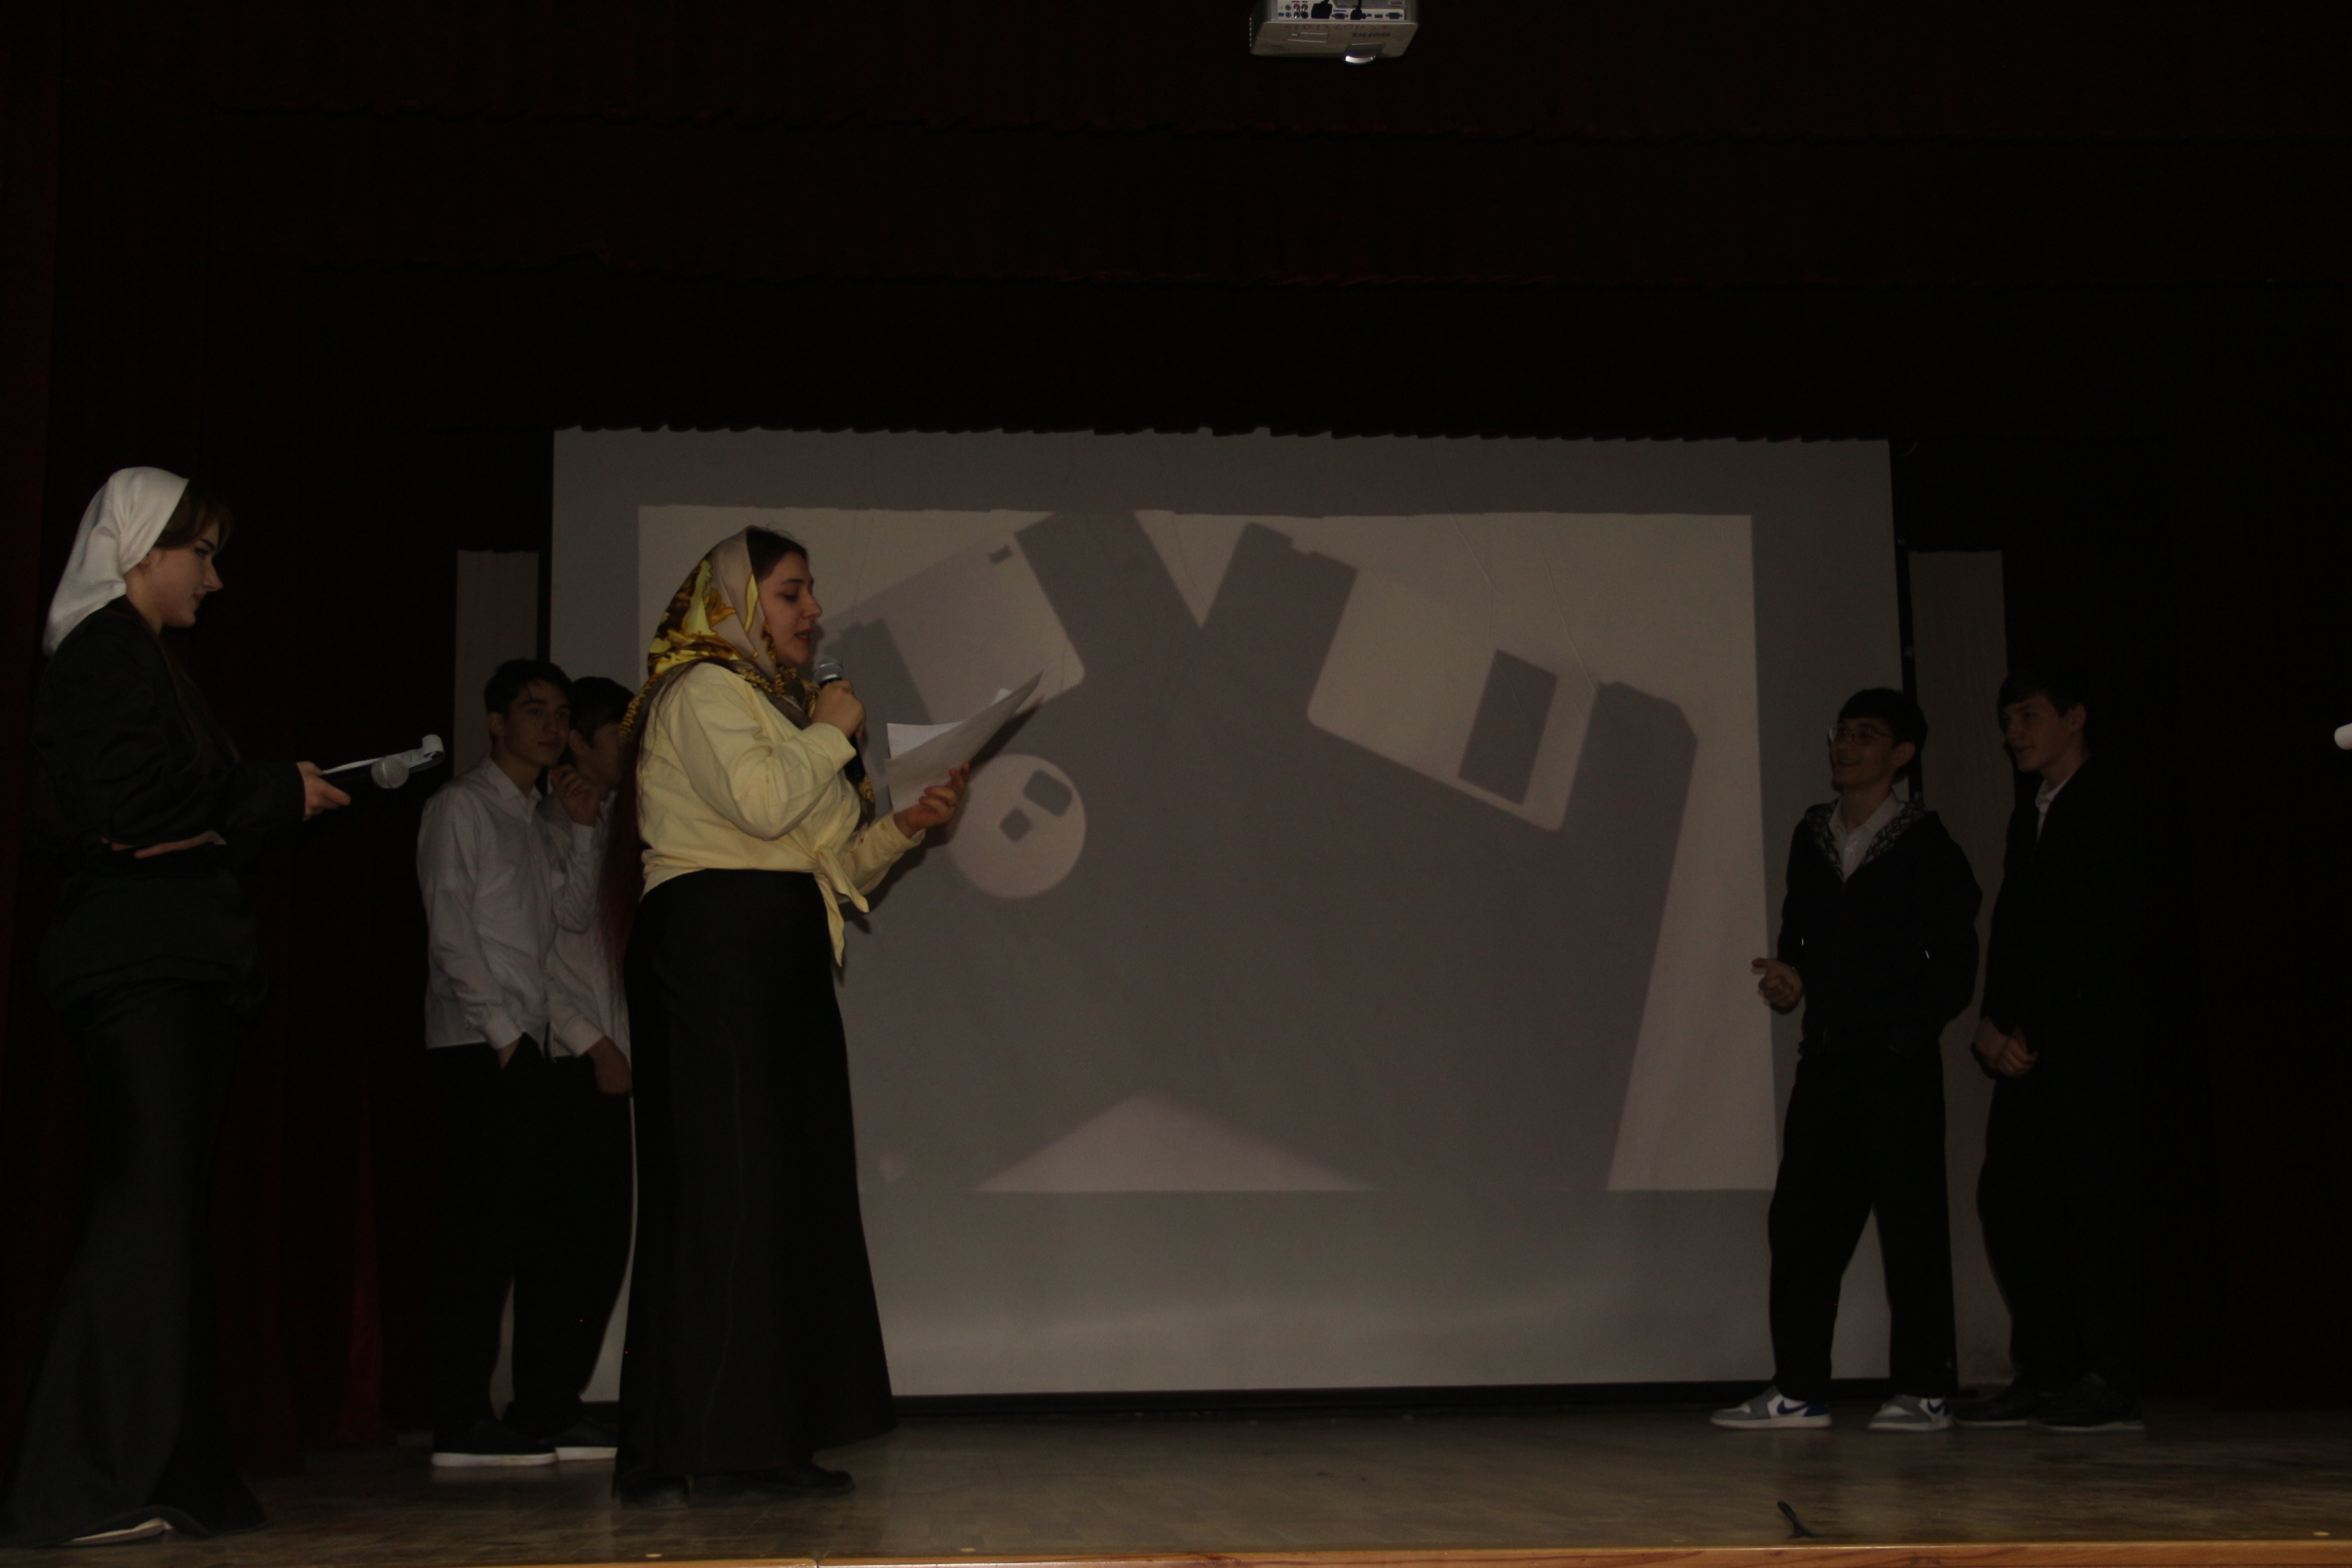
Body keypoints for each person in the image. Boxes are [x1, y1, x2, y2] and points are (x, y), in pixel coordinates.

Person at [1, 469, 350, 1547]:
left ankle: (149, 1471)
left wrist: (260, 799)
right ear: (142, 551)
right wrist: (269, 792)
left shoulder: (139, 659)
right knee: (139, 1219)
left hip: (171, 966)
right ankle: (79, 1485)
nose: (214, 577)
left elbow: (162, 811)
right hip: (141, 967)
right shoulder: (106, 653)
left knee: (158, 1222)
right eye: (201, 554)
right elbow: (133, 808)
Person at [603, 527, 967, 1505]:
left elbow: (828, 866)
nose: (814, 613)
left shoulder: (779, 707)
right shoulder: (702, 690)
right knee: (732, 1192)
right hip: (716, 954)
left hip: (776, 955)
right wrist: (835, 731)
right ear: (735, 601)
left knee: (775, 1193)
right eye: (792, 593)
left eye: (812, 594)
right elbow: (763, 807)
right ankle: (722, 1443)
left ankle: (728, 1436)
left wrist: (906, 826)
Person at [1714, 688, 1980, 1434]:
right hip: (1826, 1060)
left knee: (1910, 1225)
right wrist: (1790, 979)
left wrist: (1903, 1034)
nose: (1845, 746)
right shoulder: (1813, 834)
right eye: (1841, 733)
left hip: (1895, 1066)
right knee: (1801, 1225)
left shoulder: (1925, 842)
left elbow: (1956, 962)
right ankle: (1800, 1388)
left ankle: (1924, 1388)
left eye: (1866, 735)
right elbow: (1797, 935)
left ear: (1902, 754)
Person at [416, 658, 615, 1467]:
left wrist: (582, 829)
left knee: (525, 1236)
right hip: (477, 1045)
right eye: (535, 711)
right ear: (496, 722)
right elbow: (450, 932)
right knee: (475, 1240)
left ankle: (522, 1412)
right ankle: (458, 1418)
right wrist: (503, 1036)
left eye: (561, 713)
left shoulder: (536, 818)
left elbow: (569, 920)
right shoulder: (459, 807)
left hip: (525, 1043)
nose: (552, 726)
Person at [1957, 667, 2149, 1434]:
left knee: (2098, 1210)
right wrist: (1992, 1020)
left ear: (2076, 718)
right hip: (2030, 1043)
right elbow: (2015, 930)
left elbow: (2096, 933)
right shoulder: (2029, 812)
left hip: (2092, 1044)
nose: (2015, 733)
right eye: (2008, 720)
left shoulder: (2111, 802)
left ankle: (2111, 1375)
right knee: (2012, 1201)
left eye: (2030, 716)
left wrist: (2023, 1027)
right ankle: (2047, 1369)